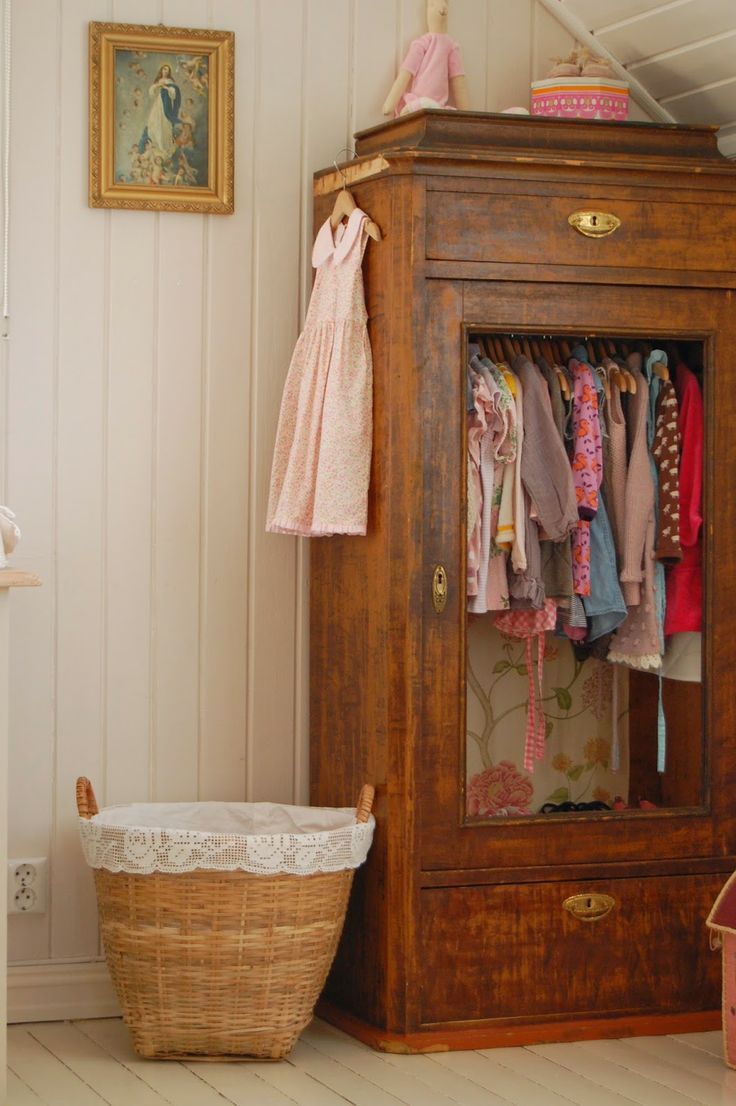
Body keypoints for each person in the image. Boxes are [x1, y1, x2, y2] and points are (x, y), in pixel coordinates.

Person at [138, 63, 181, 159]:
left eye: (167, 70)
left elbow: (174, 94)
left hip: (167, 106)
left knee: (165, 125)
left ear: (169, 72)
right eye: (164, 69)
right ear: (161, 70)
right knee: (154, 123)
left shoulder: (170, 81)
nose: (165, 71)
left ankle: (165, 148)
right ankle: (157, 146)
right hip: (158, 105)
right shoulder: (158, 81)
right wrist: (158, 85)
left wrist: (166, 87)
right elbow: (151, 92)